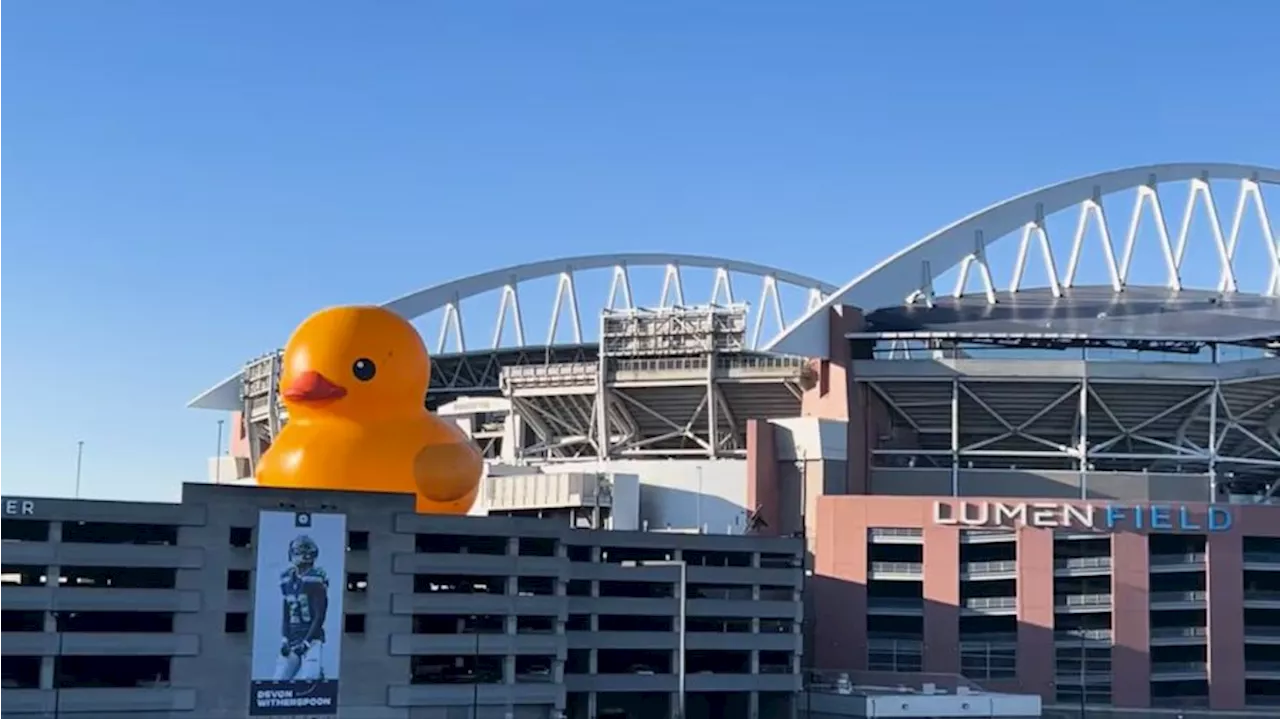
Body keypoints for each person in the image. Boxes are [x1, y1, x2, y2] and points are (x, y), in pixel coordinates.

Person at [273, 534, 329, 681]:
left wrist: (306, 642)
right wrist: (285, 638)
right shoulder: (287, 579)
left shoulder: (315, 579)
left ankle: (319, 676)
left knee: (310, 680)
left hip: (311, 639)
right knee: (277, 682)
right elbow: (286, 612)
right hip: (292, 638)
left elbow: (319, 616)